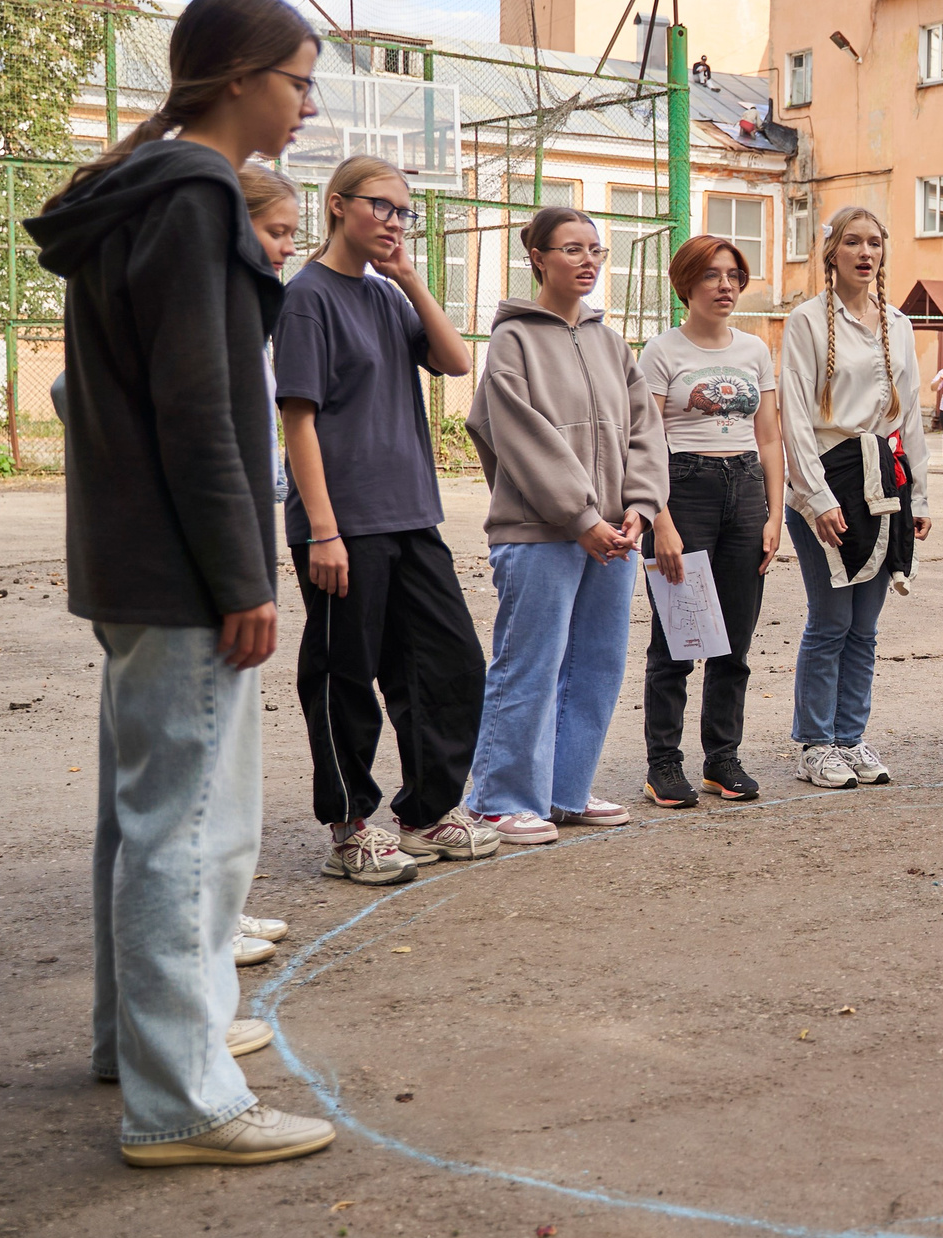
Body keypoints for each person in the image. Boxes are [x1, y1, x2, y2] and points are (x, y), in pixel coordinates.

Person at [25, 0, 336, 1168]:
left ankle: (149, 1038)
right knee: (192, 828)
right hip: (182, 566)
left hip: (131, 561)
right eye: (300, 80)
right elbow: (203, 411)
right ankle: (184, 1101)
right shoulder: (200, 193)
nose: (307, 104)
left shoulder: (137, 195)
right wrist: (243, 577)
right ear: (240, 79)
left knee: (142, 815)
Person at [276, 154, 494, 885]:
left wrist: (409, 277)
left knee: (450, 663)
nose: (395, 222)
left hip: (410, 517)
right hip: (344, 524)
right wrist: (324, 529)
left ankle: (427, 811)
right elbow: (297, 421)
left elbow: (457, 362)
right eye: (382, 206)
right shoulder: (306, 297)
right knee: (344, 676)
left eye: (405, 212)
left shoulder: (385, 294)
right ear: (338, 204)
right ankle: (348, 827)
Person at [462, 208, 664, 843]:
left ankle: (564, 790)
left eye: (595, 250)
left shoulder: (611, 343)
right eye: (571, 249)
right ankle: (499, 798)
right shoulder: (512, 341)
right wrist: (581, 516)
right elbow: (521, 439)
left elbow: (644, 432)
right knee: (531, 663)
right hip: (541, 534)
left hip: (616, 535)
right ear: (537, 257)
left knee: (597, 663)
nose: (587, 261)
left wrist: (639, 507)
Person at [777, 206, 931, 789]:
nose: (865, 253)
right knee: (832, 616)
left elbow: (910, 415)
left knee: (865, 624)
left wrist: (919, 494)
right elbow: (794, 412)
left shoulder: (897, 323)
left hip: (881, 483)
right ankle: (815, 741)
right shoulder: (808, 322)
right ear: (832, 253)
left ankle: (849, 735)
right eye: (852, 243)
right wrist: (815, 496)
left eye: (874, 243)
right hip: (829, 480)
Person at [635, 233, 784, 807]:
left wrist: (773, 515)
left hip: (745, 489)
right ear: (686, 285)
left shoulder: (752, 351)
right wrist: (661, 522)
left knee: (734, 643)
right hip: (683, 489)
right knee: (676, 638)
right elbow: (645, 443)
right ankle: (663, 765)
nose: (725, 286)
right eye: (712, 276)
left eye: (733, 276)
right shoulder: (661, 352)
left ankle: (722, 759)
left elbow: (769, 436)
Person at [229, 164, 302, 970]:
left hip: (246, 542)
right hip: (210, 569)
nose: (286, 248)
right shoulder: (199, 302)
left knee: (229, 751)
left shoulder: (246, 315)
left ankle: (224, 907)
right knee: (199, 766)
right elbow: (77, 391)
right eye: (276, 231)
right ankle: (206, 930)